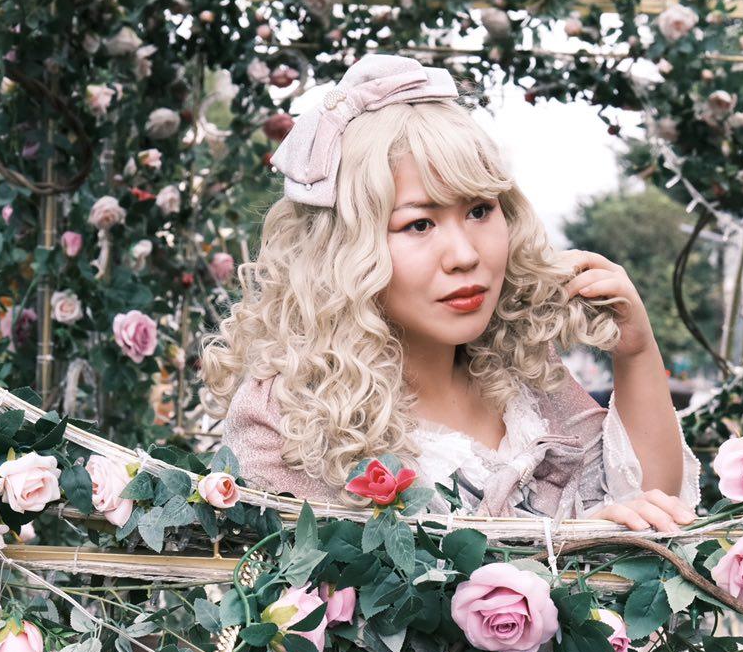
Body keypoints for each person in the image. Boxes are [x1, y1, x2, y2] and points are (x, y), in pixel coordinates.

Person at [200, 53, 700, 532]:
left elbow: (653, 507)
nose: (464, 254)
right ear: (342, 250)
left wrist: (636, 353)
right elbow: (328, 589)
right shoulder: (285, 414)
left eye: (480, 210)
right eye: (419, 224)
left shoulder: (518, 371)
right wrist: (567, 550)